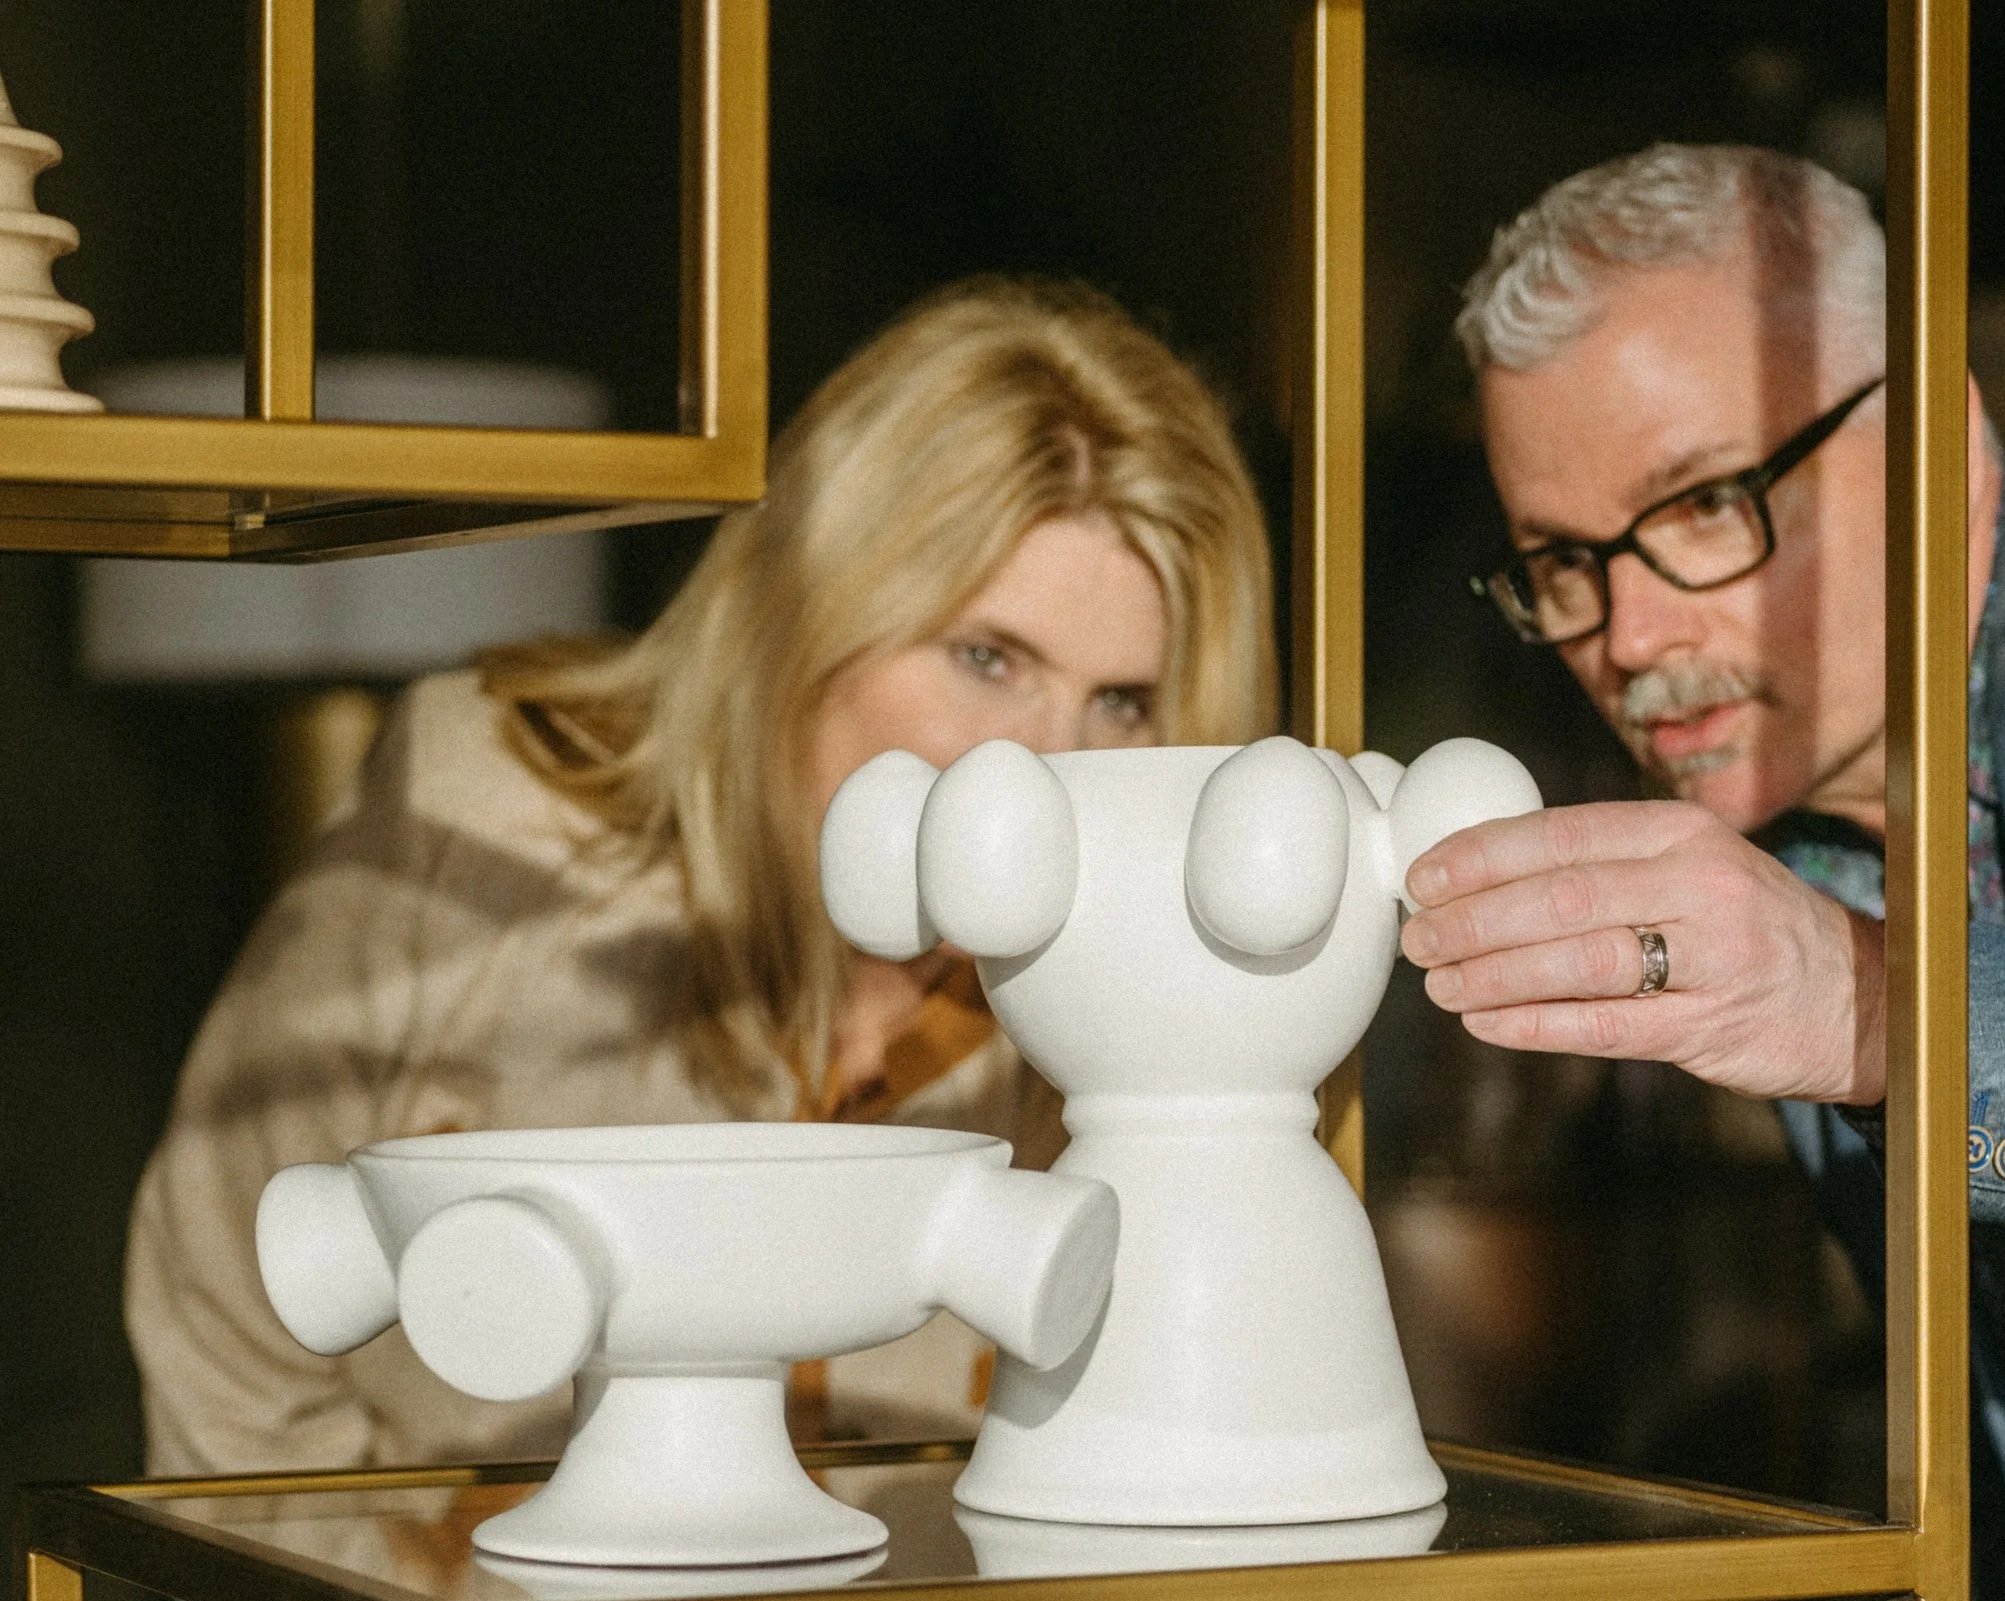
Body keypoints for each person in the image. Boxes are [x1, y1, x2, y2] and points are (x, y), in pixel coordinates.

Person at [125, 276, 1277, 1477]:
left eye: (1123, 701)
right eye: (986, 657)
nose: (1045, 770)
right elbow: (225, 1308)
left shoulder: (1144, 1036)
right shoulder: (483, 811)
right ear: (811, 617)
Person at [1403, 143, 2005, 1599]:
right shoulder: (1789, 825)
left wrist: (1870, 1006)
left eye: (1699, 503)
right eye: (1558, 560)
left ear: (1939, 437)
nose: (1620, 638)